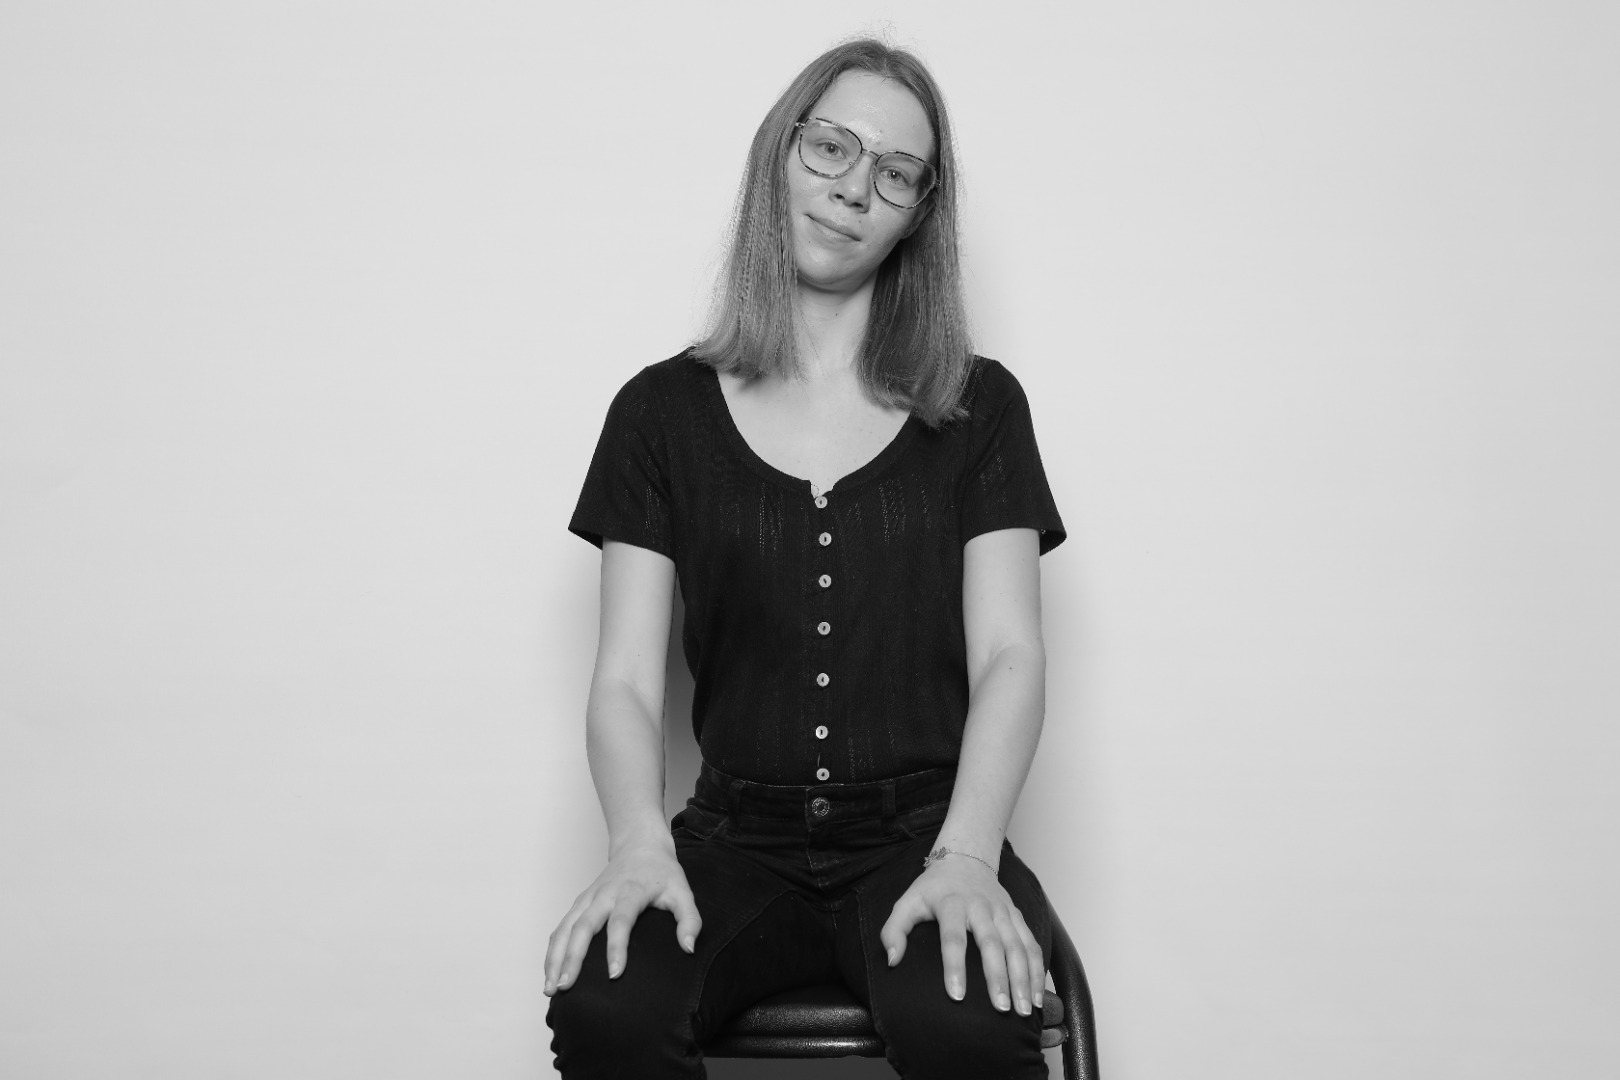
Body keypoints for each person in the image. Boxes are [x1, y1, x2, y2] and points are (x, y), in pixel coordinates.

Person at [544, 37, 1066, 1080]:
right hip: (734, 844)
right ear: (780, 152)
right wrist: (639, 842)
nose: (853, 189)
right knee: (606, 1007)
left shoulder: (982, 407)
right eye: (831, 147)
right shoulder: (658, 413)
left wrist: (969, 855)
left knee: (970, 1022)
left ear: (918, 212)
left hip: (928, 837)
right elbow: (627, 682)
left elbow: (1011, 655)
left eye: (896, 172)